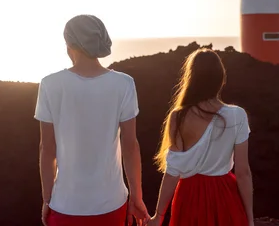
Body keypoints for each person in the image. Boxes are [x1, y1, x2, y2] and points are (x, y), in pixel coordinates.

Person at [34, 14, 150, 226]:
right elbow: (130, 146)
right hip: (112, 204)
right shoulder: (123, 84)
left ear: (69, 44)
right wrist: (137, 197)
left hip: (64, 206)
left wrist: (47, 199)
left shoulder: (50, 84)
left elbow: (47, 149)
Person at [148, 48, 254, 226]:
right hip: (225, 194)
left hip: (189, 196)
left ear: (191, 79)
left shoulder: (179, 116)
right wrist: (249, 219)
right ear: (220, 78)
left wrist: (158, 216)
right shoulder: (237, 115)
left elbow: (172, 172)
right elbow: (243, 173)